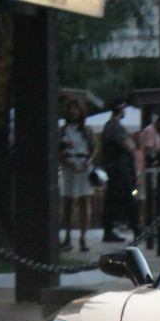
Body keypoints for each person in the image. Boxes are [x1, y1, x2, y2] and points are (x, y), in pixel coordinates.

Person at [58, 99, 95, 252]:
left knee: (84, 202)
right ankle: (67, 236)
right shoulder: (62, 130)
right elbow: (57, 150)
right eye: (70, 108)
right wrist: (66, 161)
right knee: (68, 203)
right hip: (69, 167)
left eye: (76, 109)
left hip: (84, 165)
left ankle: (83, 237)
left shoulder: (87, 130)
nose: (73, 112)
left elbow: (93, 149)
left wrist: (89, 161)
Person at [101, 103, 139, 243]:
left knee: (115, 200)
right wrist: (131, 143)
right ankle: (136, 228)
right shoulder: (114, 127)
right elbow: (128, 146)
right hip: (119, 170)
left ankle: (111, 230)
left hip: (118, 169)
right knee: (127, 199)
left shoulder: (111, 127)